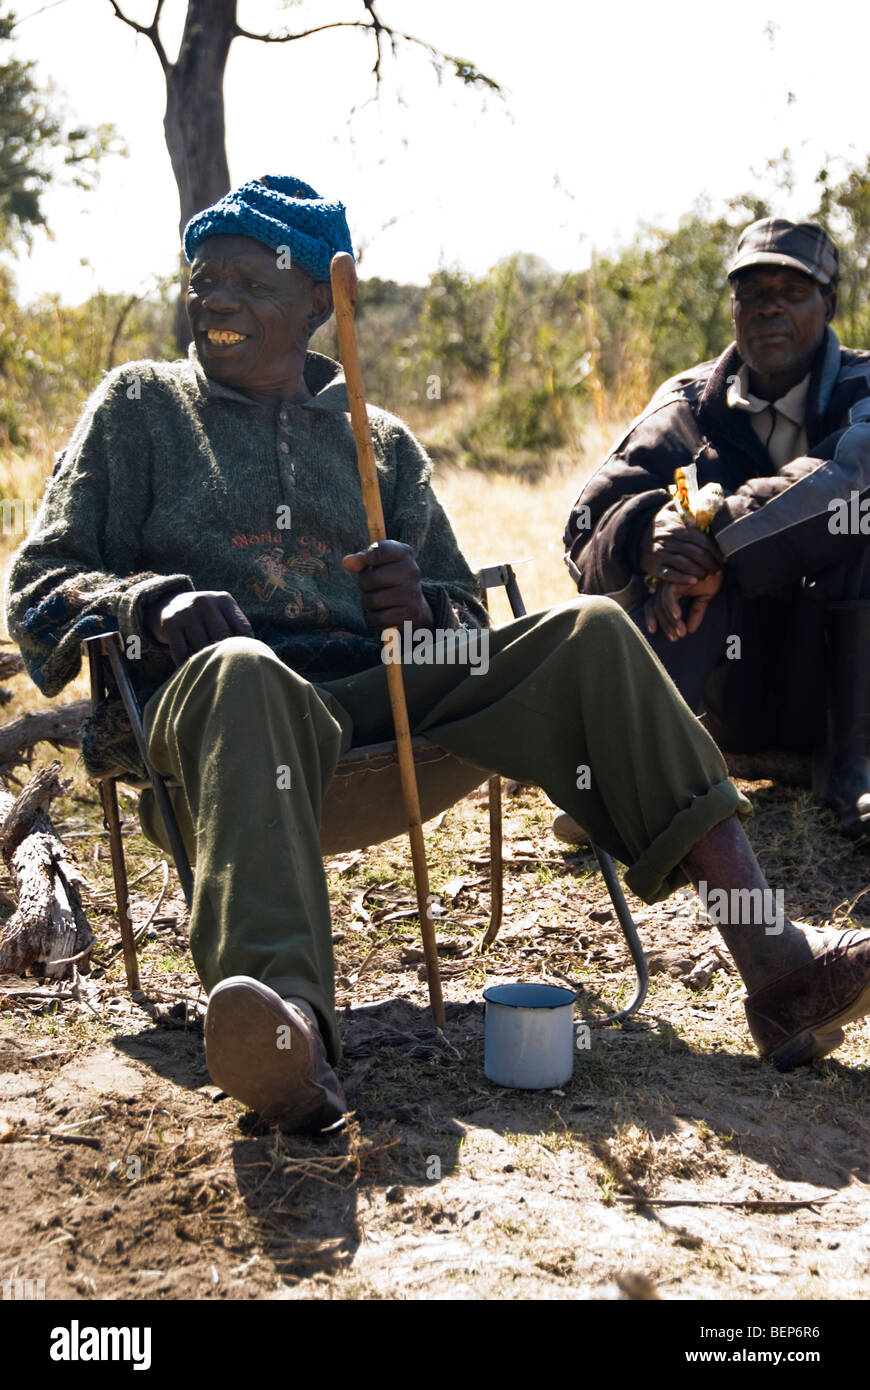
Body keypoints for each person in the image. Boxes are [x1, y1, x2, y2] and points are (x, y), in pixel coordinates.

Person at [7, 183, 870, 1134]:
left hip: (391, 706)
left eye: (249, 282)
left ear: (320, 304)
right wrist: (149, 599)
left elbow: (462, 612)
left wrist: (423, 606)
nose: (214, 301)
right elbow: (39, 587)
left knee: (590, 632)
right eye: (203, 281)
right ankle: (292, 1031)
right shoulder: (141, 408)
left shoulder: (379, 438)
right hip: (222, 720)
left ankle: (776, 964)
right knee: (246, 668)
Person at [564, 218, 870, 838]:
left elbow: (855, 476)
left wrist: (720, 535)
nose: (769, 310)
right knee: (675, 546)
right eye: (753, 294)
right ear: (733, 307)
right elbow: (584, 522)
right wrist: (649, 535)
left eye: (792, 292)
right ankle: (636, 773)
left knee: (851, 526)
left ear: (829, 303)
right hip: (736, 691)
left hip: (843, 685)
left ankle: (856, 771)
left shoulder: (865, 386)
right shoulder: (686, 403)